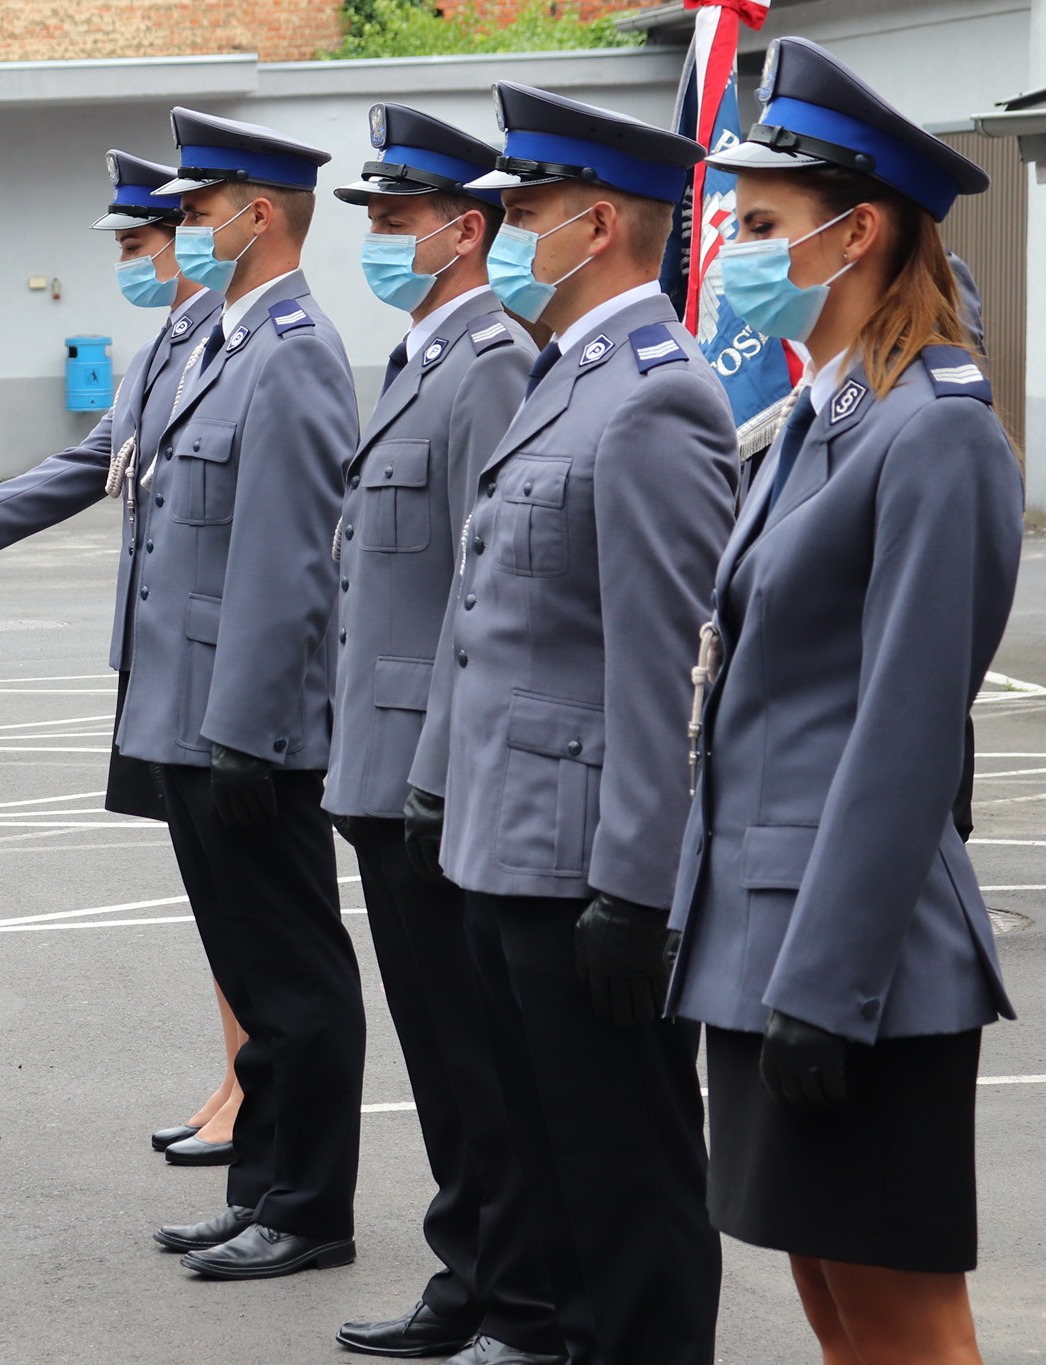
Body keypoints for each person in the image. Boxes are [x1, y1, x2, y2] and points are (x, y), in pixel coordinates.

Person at [667, 36, 1020, 1363]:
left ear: (855, 232)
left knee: (901, 1315)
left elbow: (907, 734)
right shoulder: (825, 413)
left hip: (860, 971)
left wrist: (824, 986)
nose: (732, 248)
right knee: (830, 1293)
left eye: (760, 223)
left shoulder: (936, 434)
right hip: (772, 950)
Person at [408, 84, 735, 1361]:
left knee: (622, 1169)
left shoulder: (655, 397)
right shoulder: (563, 379)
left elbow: (667, 669)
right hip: (506, 839)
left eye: (525, 212)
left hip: (582, 856)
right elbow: (487, 618)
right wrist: (441, 786)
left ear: (596, 224)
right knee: (543, 1146)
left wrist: (636, 890)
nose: (503, 237)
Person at [0, 150, 244, 1168]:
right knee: (213, 895)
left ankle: (250, 1084)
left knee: (244, 898)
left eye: (140, 242)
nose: (129, 262)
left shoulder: (228, 343)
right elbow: (88, 465)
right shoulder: (165, 347)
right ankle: (235, 1072)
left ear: (188, 237)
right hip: (157, 667)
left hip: (214, 675)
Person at [322, 105, 561, 1365]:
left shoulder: (488, 365)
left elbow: (488, 588)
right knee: (433, 1052)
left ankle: (513, 1291)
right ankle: (466, 1268)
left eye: (391, 220)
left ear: (460, 231)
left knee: (476, 1060)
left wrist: (438, 766)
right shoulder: (420, 356)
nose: (371, 238)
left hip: (437, 773)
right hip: (377, 760)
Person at [113, 107, 364, 1281]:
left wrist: (250, 737)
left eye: (199, 210)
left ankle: (308, 1208)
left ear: (257, 215)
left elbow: (286, 561)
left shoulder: (294, 348)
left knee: (294, 975)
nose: (183, 229)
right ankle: (260, 1185)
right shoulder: (219, 338)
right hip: (192, 715)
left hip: (245, 727)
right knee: (251, 971)